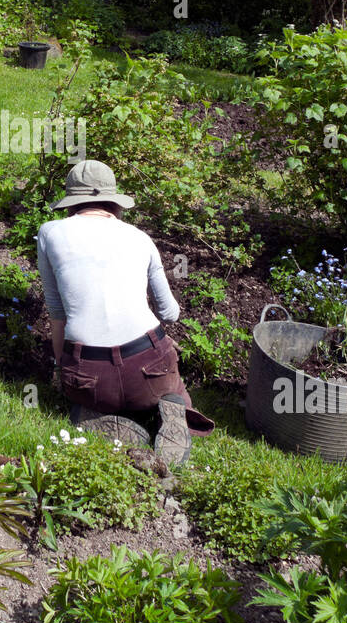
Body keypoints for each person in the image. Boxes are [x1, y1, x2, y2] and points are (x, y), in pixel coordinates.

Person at [36, 160, 214, 466]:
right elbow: (170, 313)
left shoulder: (50, 233)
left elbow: (57, 311)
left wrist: (60, 370)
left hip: (89, 377)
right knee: (170, 385)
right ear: (115, 204)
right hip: (149, 370)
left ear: (71, 205)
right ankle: (172, 409)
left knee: (79, 399)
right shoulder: (140, 239)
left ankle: (91, 417)